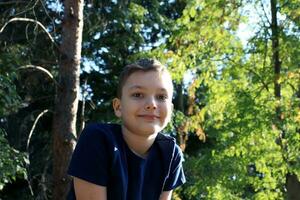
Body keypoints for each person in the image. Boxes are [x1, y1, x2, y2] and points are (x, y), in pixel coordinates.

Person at [67, 58, 186, 200]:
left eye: (161, 97)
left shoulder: (171, 154)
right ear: (118, 107)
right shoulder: (97, 139)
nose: (152, 104)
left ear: (171, 110)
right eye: (138, 95)